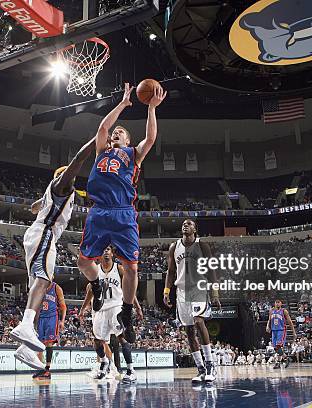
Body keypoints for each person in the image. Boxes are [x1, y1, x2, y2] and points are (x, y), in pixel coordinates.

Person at [77, 83, 166, 344]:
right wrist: (123, 104)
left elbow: (150, 139)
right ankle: (96, 285)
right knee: (83, 263)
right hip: (99, 211)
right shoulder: (101, 151)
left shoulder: (133, 154)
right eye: (115, 133)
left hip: (123, 213)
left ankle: (126, 314)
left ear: (127, 141)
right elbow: (102, 128)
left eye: (121, 133)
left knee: (131, 267)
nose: (116, 133)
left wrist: (151, 108)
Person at [11, 136, 96, 369]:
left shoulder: (58, 193)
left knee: (37, 290)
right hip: (44, 234)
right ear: (61, 177)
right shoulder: (61, 186)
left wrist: (41, 202)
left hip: (38, 234)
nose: (72, 179)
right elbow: (78, 159)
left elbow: (33, 207)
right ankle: (26, 325)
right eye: (69, 175)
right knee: (44, 279)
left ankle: (25, 348)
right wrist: (99, 137)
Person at [164, 219, 220, 383]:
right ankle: (201, 369)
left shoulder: (202, 245)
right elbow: (170, 271)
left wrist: (215, 293)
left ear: (195, 229)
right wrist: (166, 291)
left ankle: (210, 364)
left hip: (199, 288)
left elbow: (211, 270)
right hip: (181, 290)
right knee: (188, 330)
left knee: (198, 321)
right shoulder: (174, 247)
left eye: (189, 224)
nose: (185, 225)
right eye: (183, 224)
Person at [79, 246, 143, 383]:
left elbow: (129, 288)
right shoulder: (95, 270)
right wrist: (83, 308)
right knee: (97, 341)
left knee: (121, 338)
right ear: (99, 254)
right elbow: (91, 290)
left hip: (116, 307)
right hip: (100, 310)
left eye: (108, 249)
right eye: (103, 249)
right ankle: (104, 363)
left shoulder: (118, 269)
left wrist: (137, 306)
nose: (105, 251)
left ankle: (131, 370)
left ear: (112, 253)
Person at [32, 281, 67, 379]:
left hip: (52, 317)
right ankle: (40, 369)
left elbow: (63, 307)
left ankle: (47, 369)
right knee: (39, 344)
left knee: (49, 343)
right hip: (41, 318)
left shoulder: (56, 288)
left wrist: (62, 321)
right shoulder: (39, 286)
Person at [266, 299, 296, 369]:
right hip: (274, 330)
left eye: (278, 302)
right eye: (276, 302)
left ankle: (280, 362)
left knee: (278, 346)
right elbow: (269, 320)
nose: (277, 304)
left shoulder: (284, 311)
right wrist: (267, 326)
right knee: (275, 348)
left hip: (281, 330)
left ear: (281, 303)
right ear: (274, 303)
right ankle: (285, 359)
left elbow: (290, 322)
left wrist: (293, 332)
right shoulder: (271, 311)